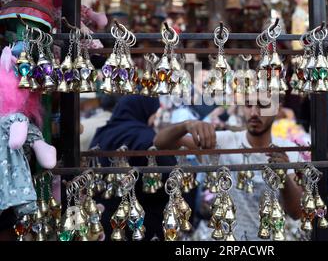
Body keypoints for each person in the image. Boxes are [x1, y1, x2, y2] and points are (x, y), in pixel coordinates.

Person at [154, 95, 305, 241]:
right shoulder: (223, 142)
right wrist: (186, 125)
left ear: (277, 108)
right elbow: (161, 144)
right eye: (248, 105)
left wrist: (283, 177)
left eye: (263, 105)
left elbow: (296, 212)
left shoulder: (287, 150)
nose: (254, 112)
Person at [90, 95, 195, 240]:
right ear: (144, 111)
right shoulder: (145, 137)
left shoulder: (102, 133)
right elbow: (170, 180)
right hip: (140, 227)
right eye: (154, 113)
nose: (153, 119)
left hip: (104, 222)